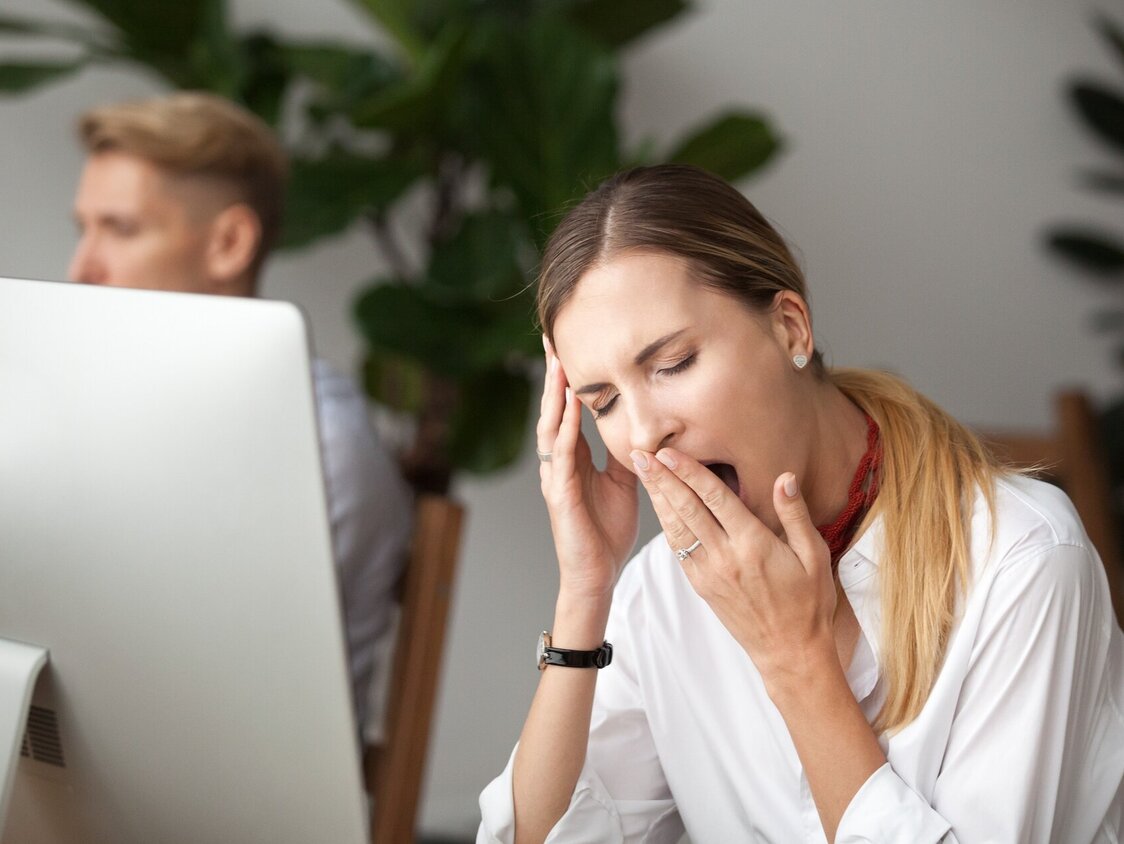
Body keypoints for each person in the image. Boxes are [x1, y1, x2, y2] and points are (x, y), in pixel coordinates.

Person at [478, 164, 1124, 843]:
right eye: (604, 402)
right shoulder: (658, 595)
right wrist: (585, 592)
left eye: (672, 364)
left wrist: (795, 660)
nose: (642, 434)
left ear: (790, 328)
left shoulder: (1024, 561)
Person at [67, 91, 414, 740]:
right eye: (82, 229)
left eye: (120, 229)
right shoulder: (97, 415)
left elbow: (219, 705)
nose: (82, 269)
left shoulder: (318, 447)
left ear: (228, 243)